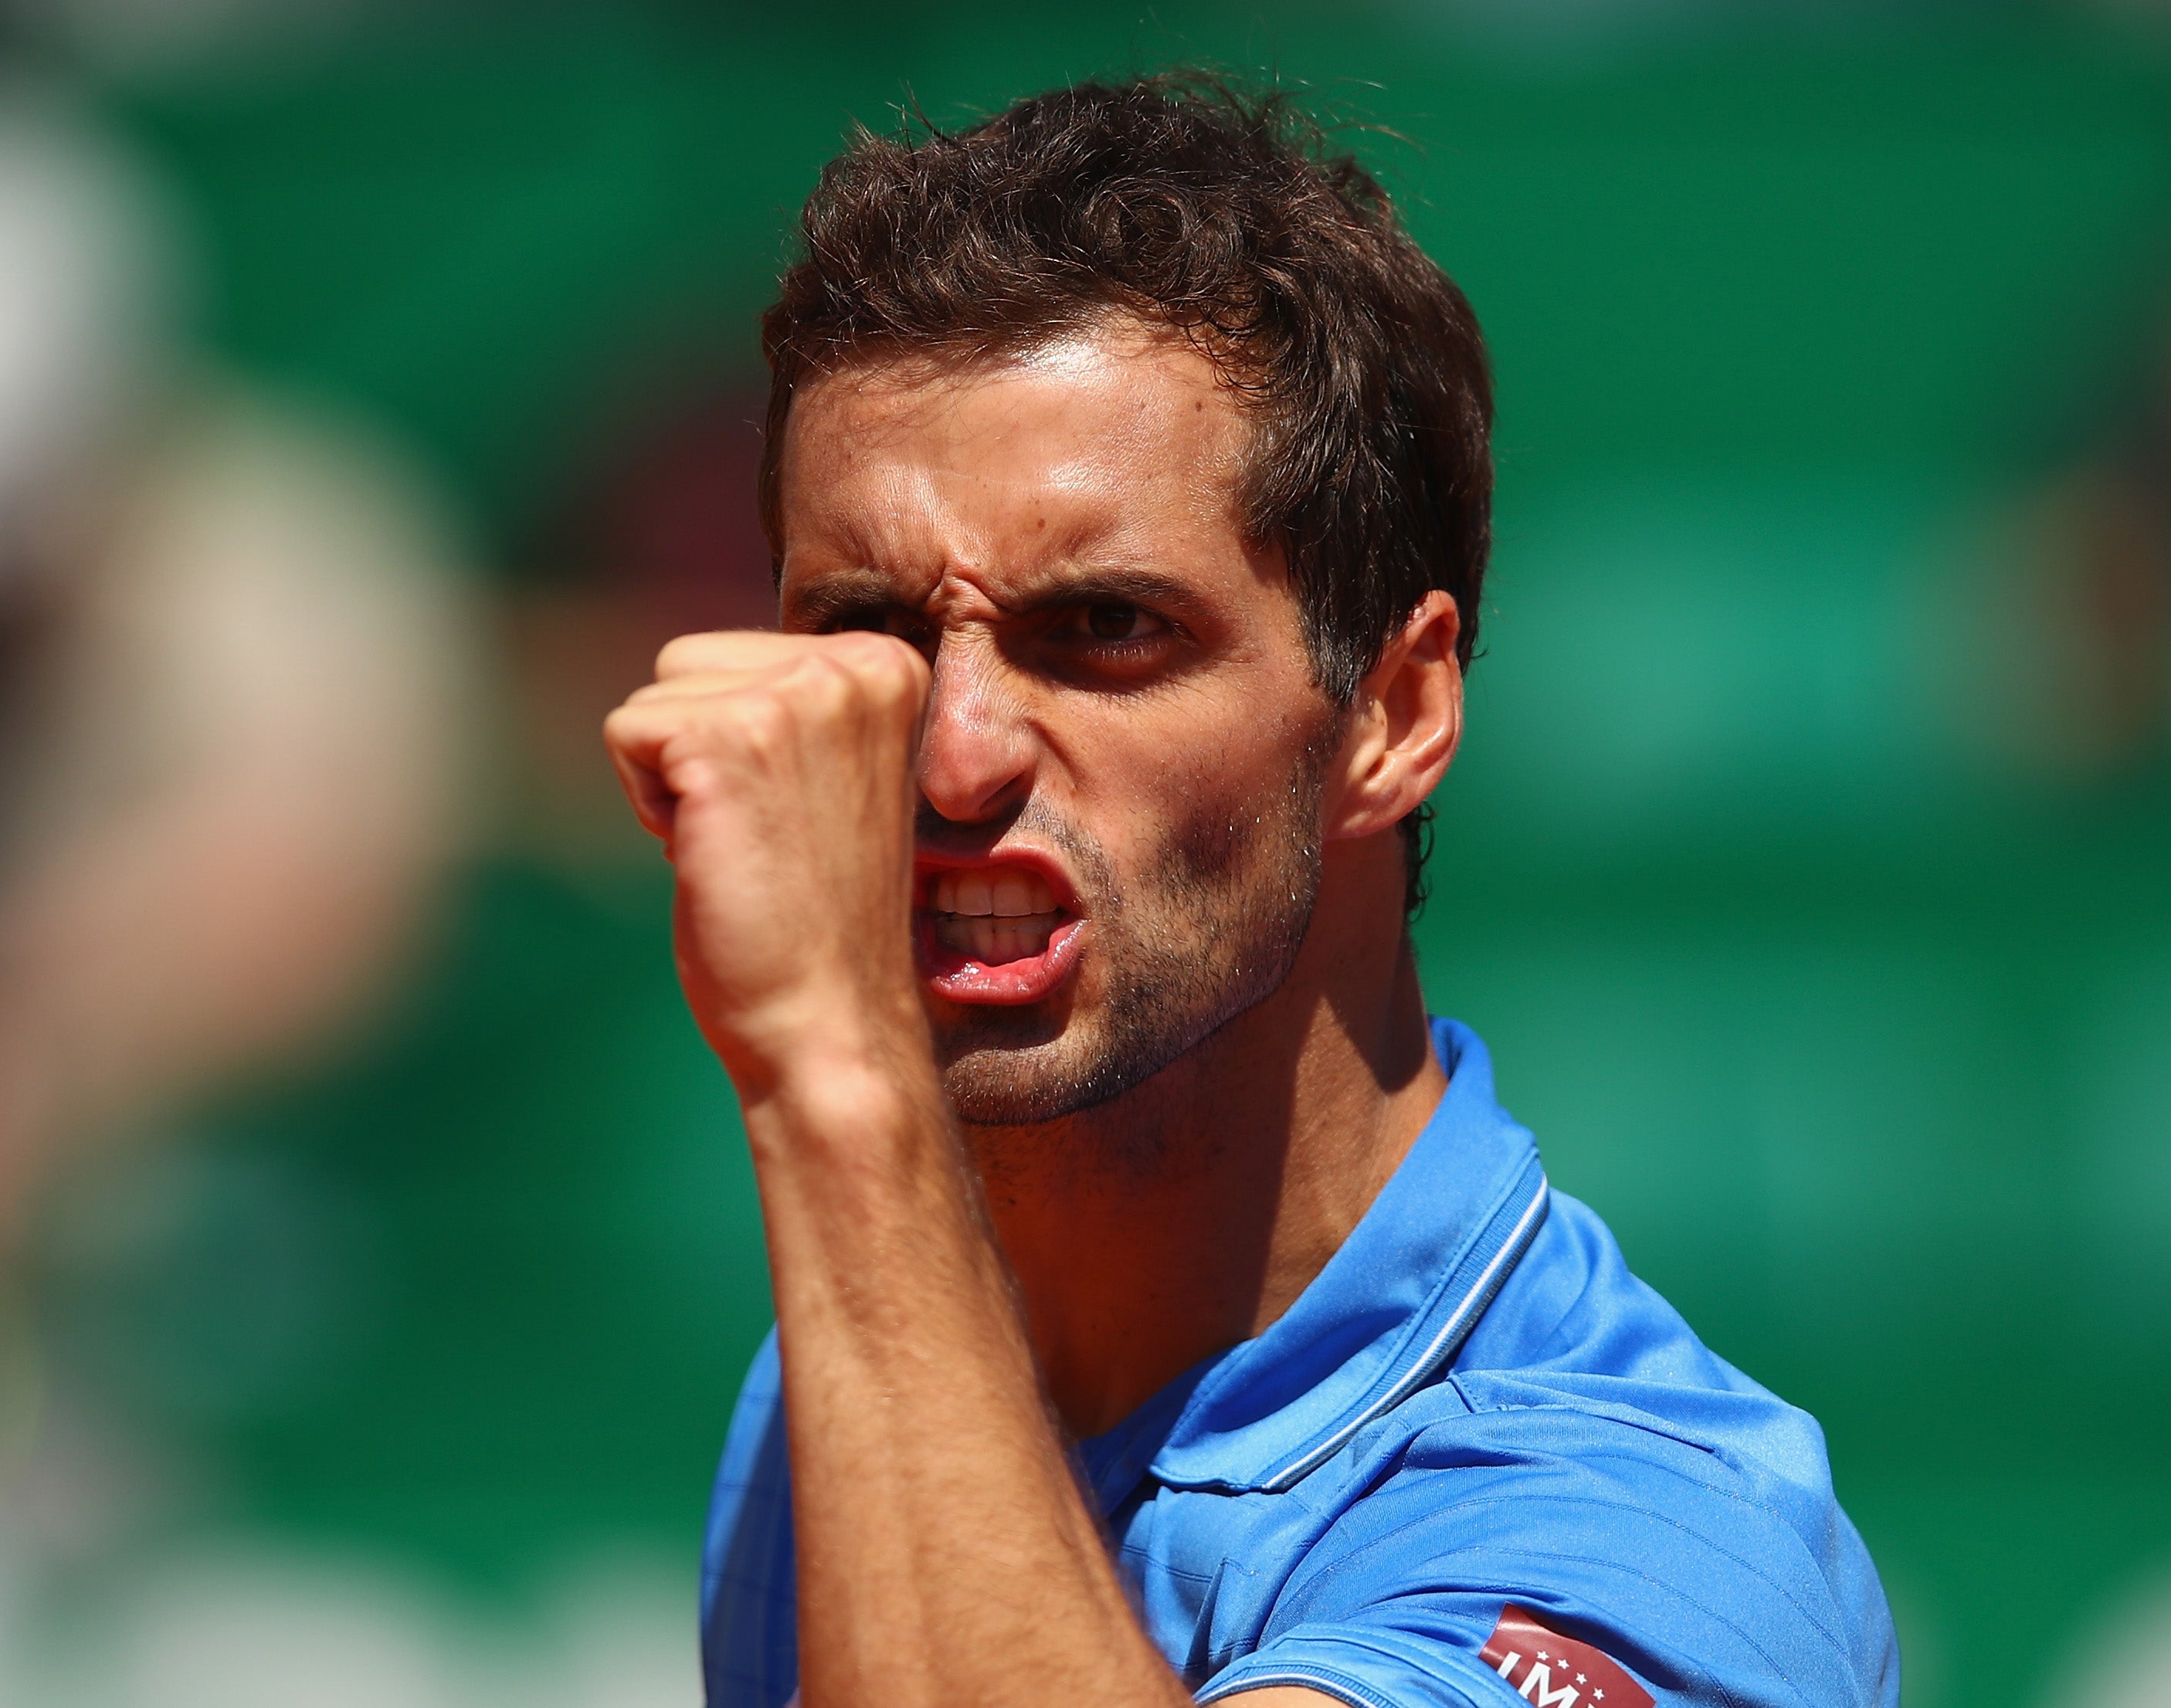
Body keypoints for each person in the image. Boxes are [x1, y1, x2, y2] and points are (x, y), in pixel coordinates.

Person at [605, 75, 1898, 1708]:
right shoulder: (854, 1363)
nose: (951, 758)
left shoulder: (1651, 1539)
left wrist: (837, 1084)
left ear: (1393, 712)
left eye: (1105, 630)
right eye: (867, 630)